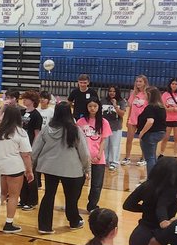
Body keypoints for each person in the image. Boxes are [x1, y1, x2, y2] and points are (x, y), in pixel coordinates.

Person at [32, 102, 90, 235]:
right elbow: (85, 153)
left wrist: (32, 167)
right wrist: (87, 169)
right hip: (71, 169)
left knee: (48, 195)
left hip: (49, 168)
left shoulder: (46, 129)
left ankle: (44, 226)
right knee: (71, 197)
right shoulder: (75, 130)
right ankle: (74, 222)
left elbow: (35, 150)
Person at [0, 104, 33, 234]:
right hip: (14, 167)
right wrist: (29, 170)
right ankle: (8, 224)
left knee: (1, 194)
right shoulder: (20, 132)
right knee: (14, 196)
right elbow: (26, 154)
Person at [78, 99, 110, 213]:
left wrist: (99, 155)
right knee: (78, 183)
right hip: (82, 159)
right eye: (90, 106)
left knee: (96, 185)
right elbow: (78, 141)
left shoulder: (104, 122)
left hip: (98, 159)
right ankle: (73, 204)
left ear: (98, 107)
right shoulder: (81, 122)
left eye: (95, 106)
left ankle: (92, 206)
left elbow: (103, 141)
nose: (92, 108)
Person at [17, 91, 43, 211]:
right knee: (21, 174)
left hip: (29, 147)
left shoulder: (37, 115)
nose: (24, 100)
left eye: (26, 99)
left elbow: (37, 134)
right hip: (19, 147)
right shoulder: (21, 112)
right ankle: (23, 199)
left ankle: (32, 201)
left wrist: (33, 149)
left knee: (30, 174)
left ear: (32, 100)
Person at [134, 86, 167, 175]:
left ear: (149, 95)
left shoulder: (151, 107)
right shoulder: (161, 107)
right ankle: (155, 177)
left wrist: (142, 132)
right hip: (160, 133)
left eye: (145, 94)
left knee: (150, 158)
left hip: (151, 134)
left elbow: (150, 121)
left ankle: (151, 179)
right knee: (153, 156)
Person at [123, 74, 149, 166]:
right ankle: (127, 157)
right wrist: (128, 119)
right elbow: (131, 108)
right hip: (132, 119)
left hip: (143, 121)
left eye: (140, 81)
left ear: (145, 83)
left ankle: (143, 158)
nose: (138, 83)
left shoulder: (148, 94)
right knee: (129, 139)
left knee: (143, 140)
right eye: (137, 81)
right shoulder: (133, 93)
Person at [159, 78, 177, 156]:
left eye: (176, 84)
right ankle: (161, 153)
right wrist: (175, 109)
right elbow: (163, 106)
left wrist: (171, 109)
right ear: (170, 84)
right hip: (167, 119)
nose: (174, 85)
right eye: (172, 84)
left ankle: (175, 155)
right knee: (165, 138)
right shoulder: (165, 94)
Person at [103, 84, 123, 171]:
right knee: (105, 144)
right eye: (110, 91)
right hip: (105, 126)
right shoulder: (103, 101)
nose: (112, 93)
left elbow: (122, 114)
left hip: (116, 126)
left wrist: (115, 105)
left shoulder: (121, 102)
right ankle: (105, 160)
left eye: (114, 91)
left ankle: (114, 162)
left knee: (114, 145)